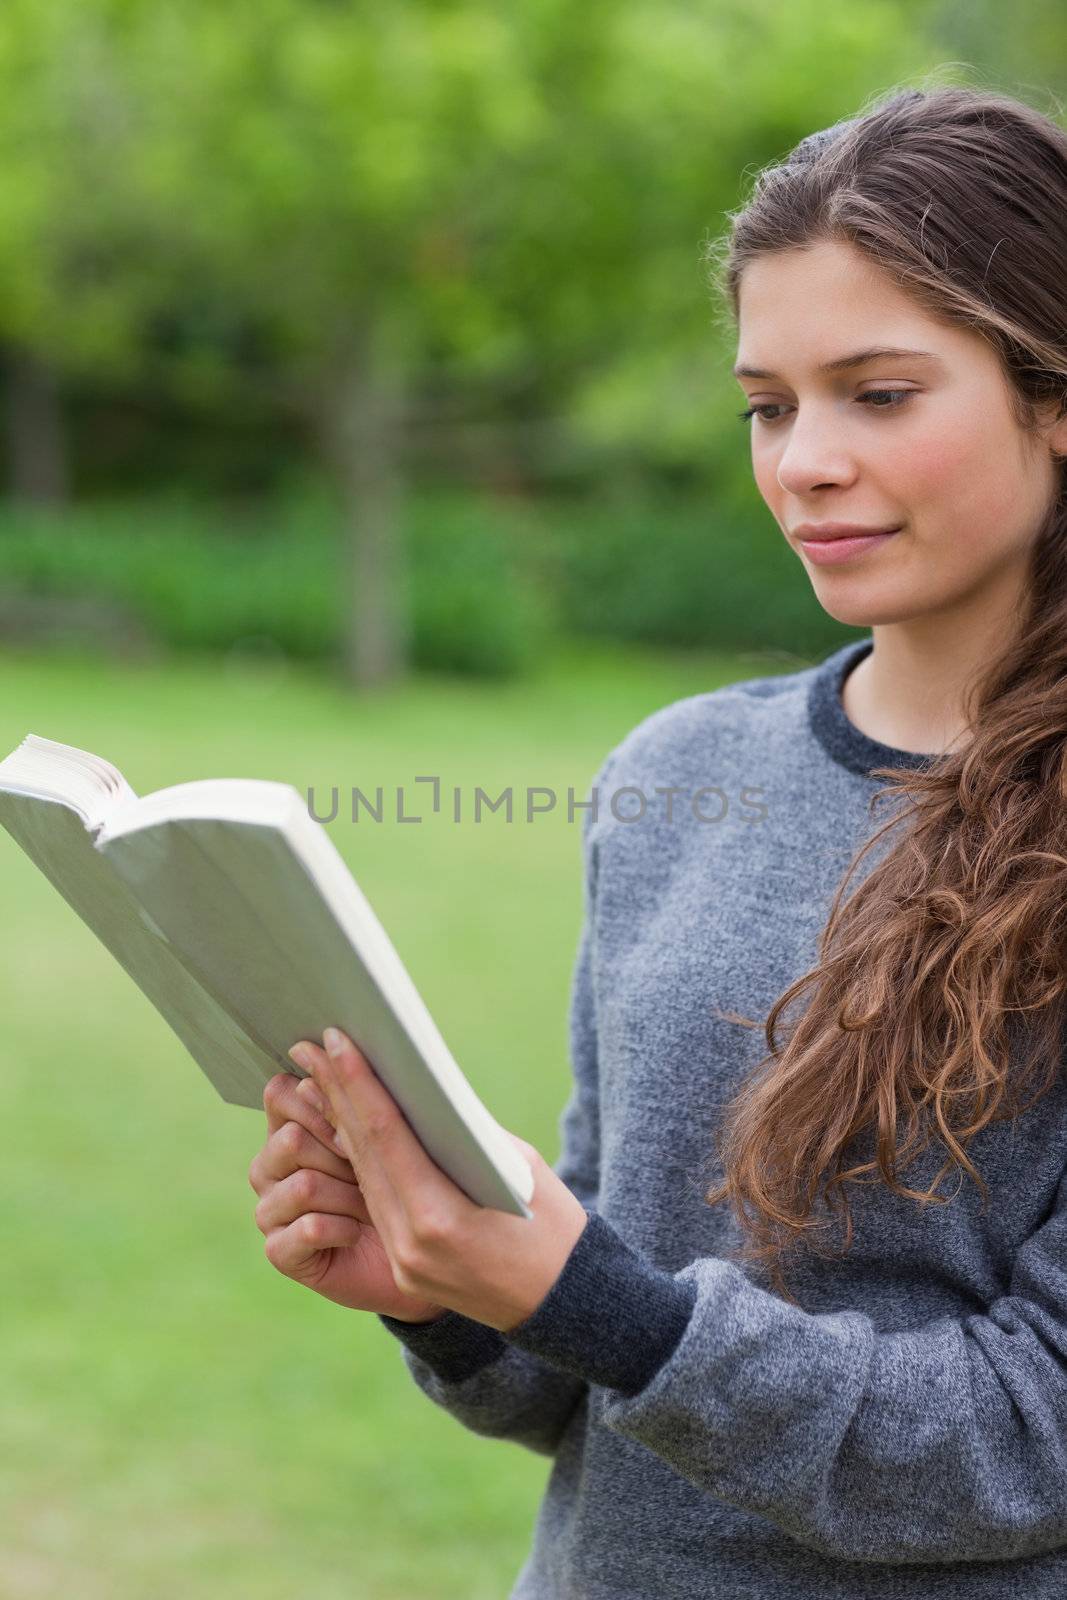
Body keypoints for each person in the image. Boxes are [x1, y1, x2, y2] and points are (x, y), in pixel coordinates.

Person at [247, 81, 1067, 1598]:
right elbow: (587, 1360)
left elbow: (1036, 1436)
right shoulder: (677, 771)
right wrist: (442, 1292)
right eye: (769, 403)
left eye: (880, 394)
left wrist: (604, 1305)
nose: (801, 461)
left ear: (1054, 395)